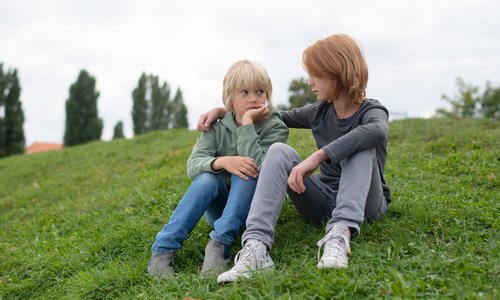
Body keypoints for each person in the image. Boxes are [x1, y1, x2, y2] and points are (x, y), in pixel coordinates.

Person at [197, 33, 391, 283]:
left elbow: (376, 131)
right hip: (323, 202)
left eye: (315, 75)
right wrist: (224, 110)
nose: (310, 82)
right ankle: (256, 248)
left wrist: (318, 157)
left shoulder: (372, 112)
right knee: (278, 150)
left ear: (337, 71)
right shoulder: (319, 112)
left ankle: (339, 234)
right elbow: (269, 115)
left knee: (361, 143)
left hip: (366, 204)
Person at [147, 60, 289, 279]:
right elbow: (193, 166)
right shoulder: (216, 126)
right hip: (220, 209)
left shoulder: (274, 126)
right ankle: (162, 251)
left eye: (260, 92)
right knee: (207, 179)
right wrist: (222, 162)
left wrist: (249, 123)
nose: (253, 98)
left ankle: (218, 247)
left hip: (254, 211)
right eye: (244, 92)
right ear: (230, 97)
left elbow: (261, 169)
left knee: (247, 170)